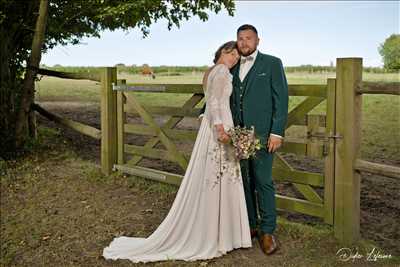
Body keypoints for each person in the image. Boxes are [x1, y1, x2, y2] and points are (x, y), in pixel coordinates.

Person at [102, 41, 252, 263]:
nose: (235, 60)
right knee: (219, 175)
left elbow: (212, 101)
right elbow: (215, 103)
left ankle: (219, 231)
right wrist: (221, 129)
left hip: (209, 127)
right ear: (223, 52)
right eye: (233, 55)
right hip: (219, 127)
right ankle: (220, 234)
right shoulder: (220, 71)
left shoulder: (210, 71)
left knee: (214, 176)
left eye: (238, 58)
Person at [199, 24, 289, 255]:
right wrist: (204, 112)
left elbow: (281, 99)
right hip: (235, 135)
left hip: (262, 135)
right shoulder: (231, 65)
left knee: (263, 181)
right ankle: (249, 225)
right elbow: (216, 93)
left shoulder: (272, 63)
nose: (244, 42)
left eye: (249, 38)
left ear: (258, 40)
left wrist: (277, 132)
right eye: (240, 38)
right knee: (244, 181)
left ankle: (267, 231)